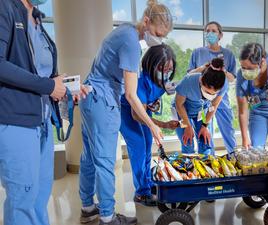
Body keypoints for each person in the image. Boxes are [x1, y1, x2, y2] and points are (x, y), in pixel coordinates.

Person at [78, 1, 173, 224]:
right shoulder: (131, 42)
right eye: (159, 34)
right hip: (103, 101)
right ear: (147, 22)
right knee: (104, 161)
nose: (160, 40)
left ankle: (88, 207)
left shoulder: (124, 30)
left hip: (91, 97)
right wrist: (153, 125)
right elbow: (131, 96)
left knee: (90, 157)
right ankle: (108, 217)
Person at [0, 0, 87, 224]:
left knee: (39, 197)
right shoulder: (5, 7)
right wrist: (49, 86)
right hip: (16, 121)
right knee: (23, 199)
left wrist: (65, 87)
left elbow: (41, 74)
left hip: (43, 121)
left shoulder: (37, 19)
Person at [120, 44, 179, 207]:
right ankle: (141, 193)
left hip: (144, 110)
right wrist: (163, 124)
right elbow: (136, 114)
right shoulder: (140, 80)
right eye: (162, 67)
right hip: (127, 111)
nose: (166, 71)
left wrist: (154, 104)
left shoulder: (162, 78)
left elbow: (152, 98)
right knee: (139, 146)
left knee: (147, 145)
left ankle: (147, 183)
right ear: (151, 64)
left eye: (169, 68)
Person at [187, 21, 237, 153]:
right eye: (207, 31)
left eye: (214, 31)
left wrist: (222, 70)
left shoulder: (228, 54)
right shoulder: (197, 53)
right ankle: (211, 160)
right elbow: (189, 75)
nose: (210, 33)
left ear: (220, 35)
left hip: (221, 98)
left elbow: (232, 78)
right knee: (206, 132)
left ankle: (233, 156)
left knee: (228, 130)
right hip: (202, 100)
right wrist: (203, 68)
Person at [174, 58, 229, 155]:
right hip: (182, 112)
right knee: (187, 141)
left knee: (205, 141)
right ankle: (188, 164)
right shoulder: (188, 81)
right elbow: (179, 105)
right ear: (201, 80)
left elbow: (213, 106)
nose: (210, 95)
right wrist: (187, 126)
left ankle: (205, 166)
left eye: (213, 93)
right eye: (207, 91)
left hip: (202, 111)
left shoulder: (223, 85)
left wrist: (205, 126)